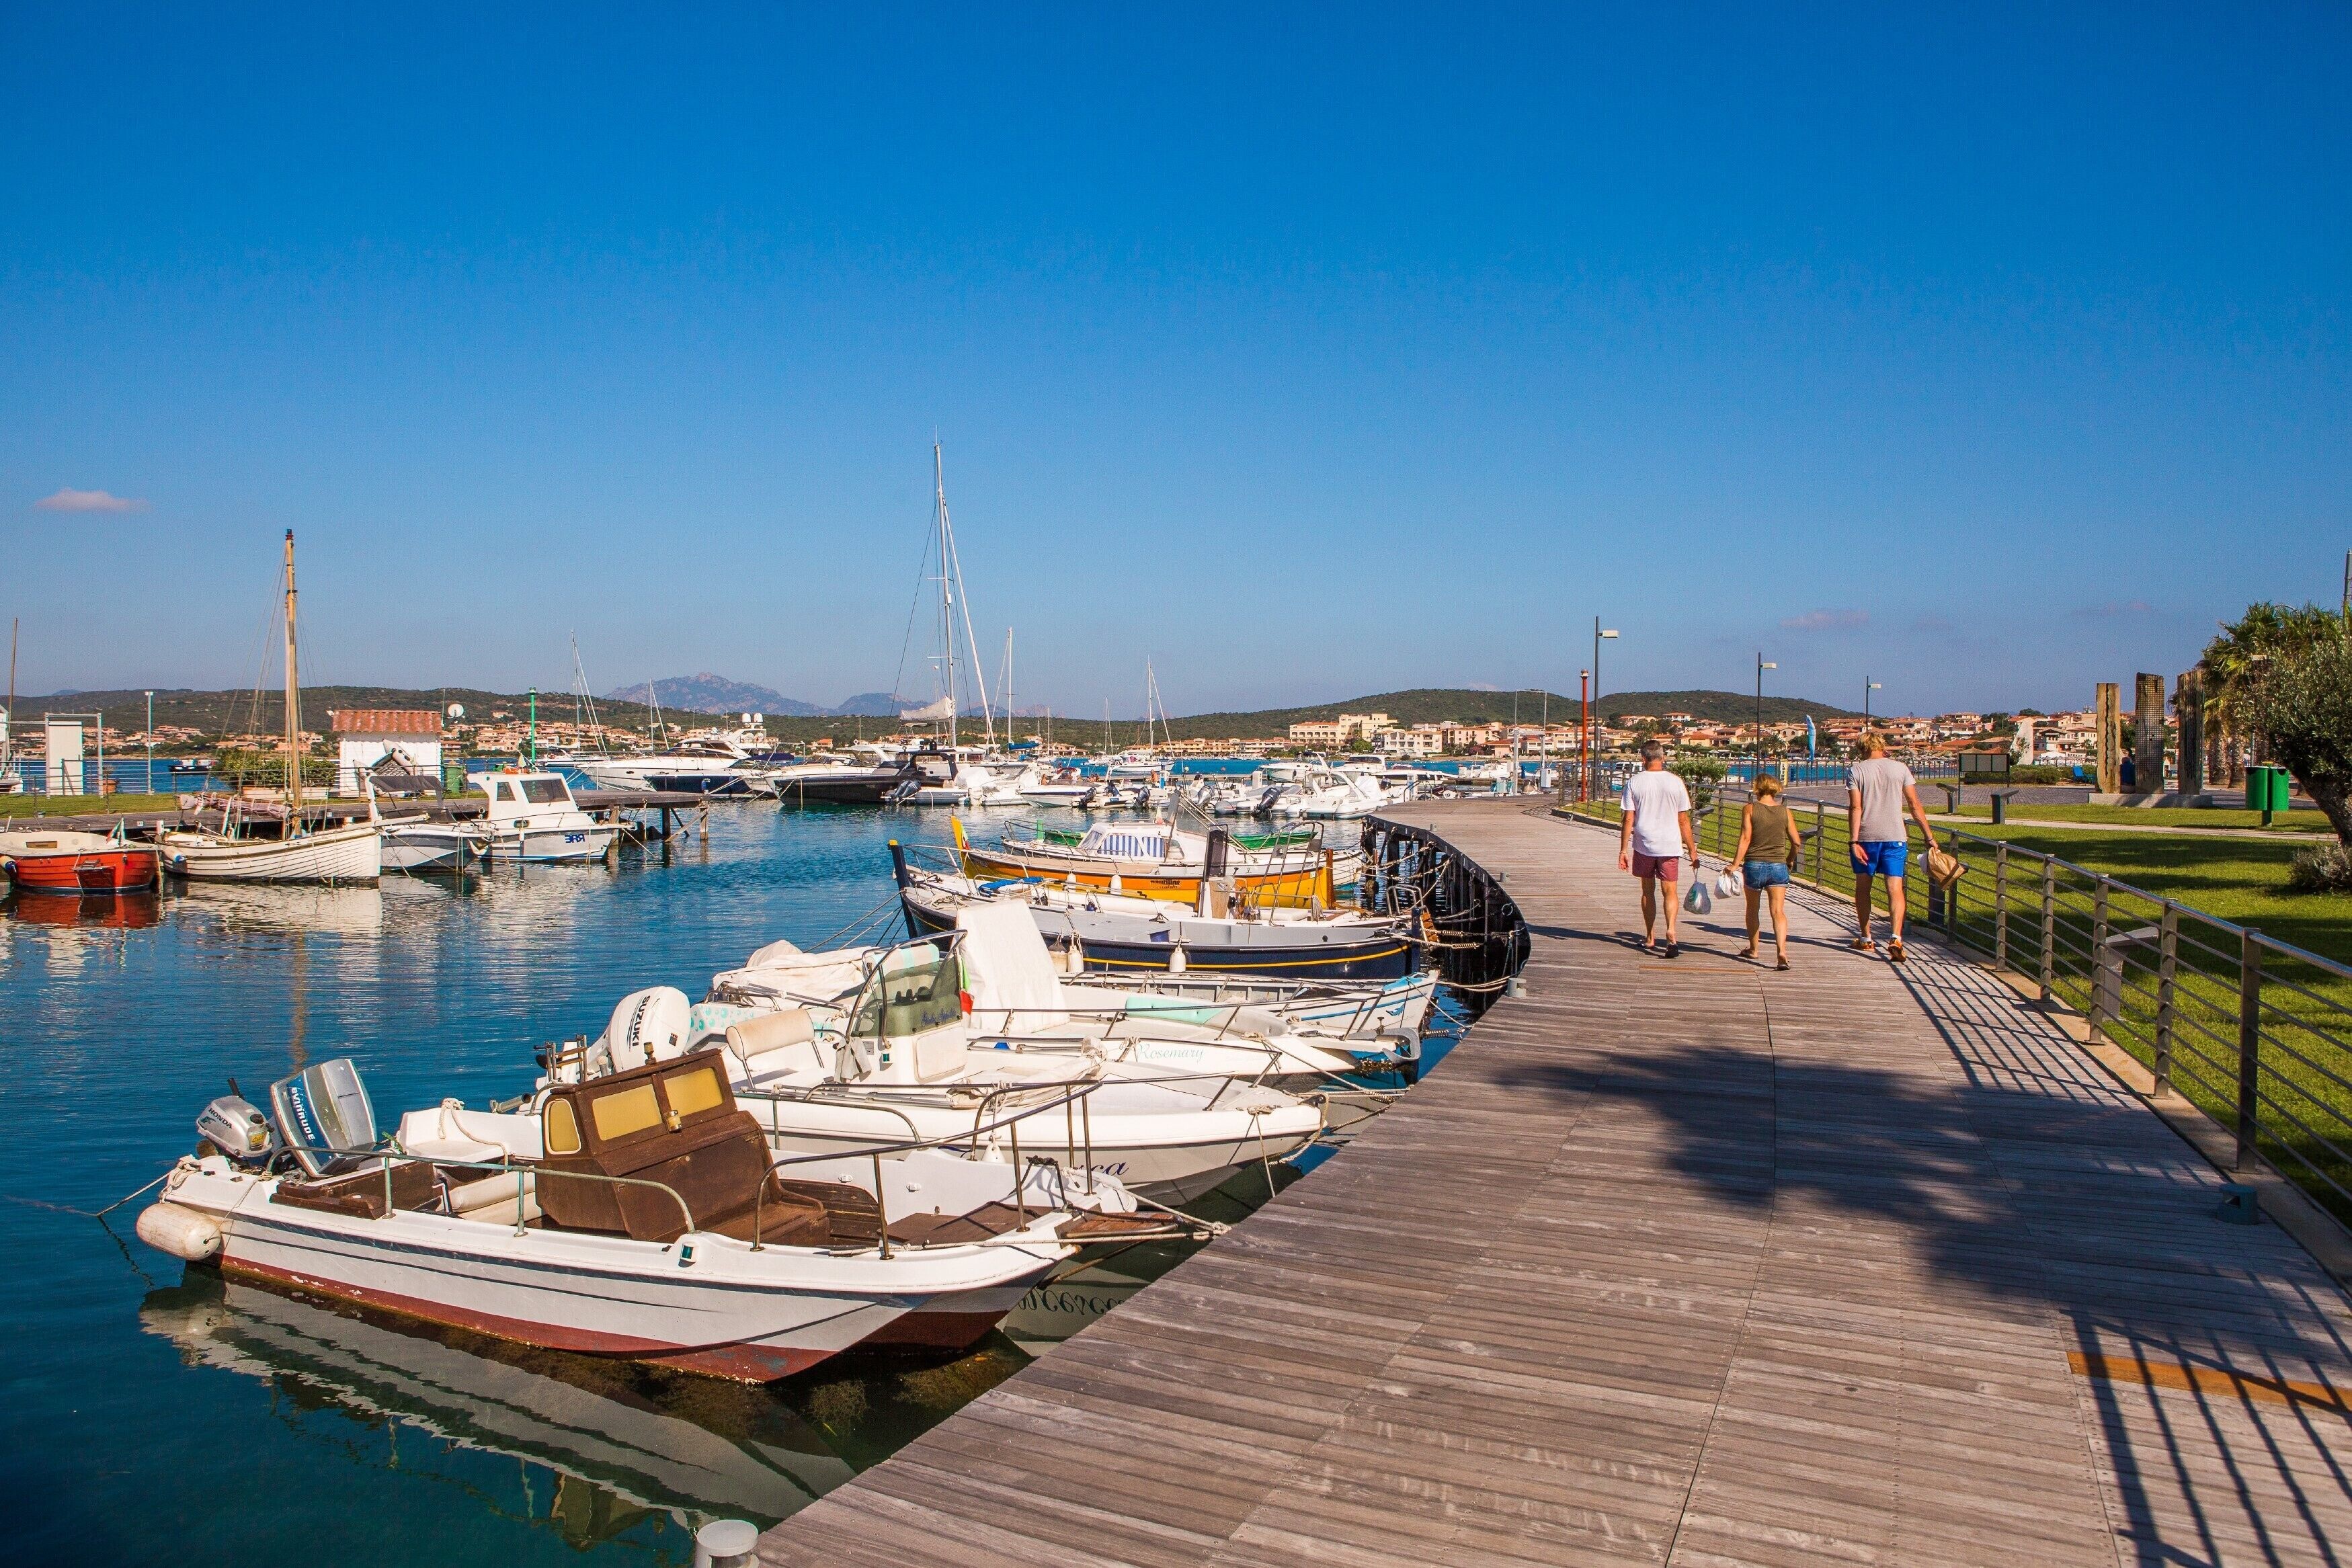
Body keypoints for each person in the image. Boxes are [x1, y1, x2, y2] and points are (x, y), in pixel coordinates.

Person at [1847, 733, 1941, 962]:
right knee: (1895, 888)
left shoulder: (1856, 771)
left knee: (1863, 889)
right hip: (1895, 837)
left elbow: (1855, 808)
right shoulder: (1900, 769)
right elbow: (1914, 805)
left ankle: (1866, 938)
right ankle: (1896, 937)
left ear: (1861, 749)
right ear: (1882, 746)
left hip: (1867, 838)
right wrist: (1928, 836)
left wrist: (1854, 841)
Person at [1617, 740, 1699, 956]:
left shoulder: (1634, 782)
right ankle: (1671, 931)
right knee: (1670, 891)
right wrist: (1692, 850)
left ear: (1643, 759)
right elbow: (1683, 820)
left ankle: (1651, 936)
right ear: (1663, 758)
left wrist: (1624, 850)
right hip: (1670, 845)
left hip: (1644, 844)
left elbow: (1628, 819)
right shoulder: (1676, 782)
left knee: (1648, 891)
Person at [1730, 773, 1803, 970]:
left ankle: (1754, 949)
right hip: (1778, 866)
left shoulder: (1750, 809)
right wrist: (1789, 859)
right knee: (1778, 912)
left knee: (1753, 909)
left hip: (1754, 865)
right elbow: (1797, 842)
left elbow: (1745, 838)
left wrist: (1735, 865)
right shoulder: (1785, 812)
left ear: (1756, 788)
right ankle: (1782, 951)